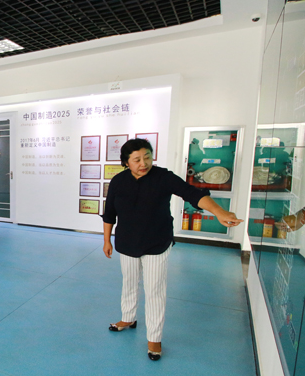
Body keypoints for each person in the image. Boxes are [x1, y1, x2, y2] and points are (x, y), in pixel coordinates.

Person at [102, 138, 242, 361]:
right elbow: (109, 212)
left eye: (147, 157)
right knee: (129, 282)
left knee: (154, 291)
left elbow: (192, 193)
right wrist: (106, 240)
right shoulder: (118, 181)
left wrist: (218, 211)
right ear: (126, 162)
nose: (143, 163)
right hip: (127, 242)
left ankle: (154, 338)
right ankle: (128, 317)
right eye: (137, 159)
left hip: (156, 243)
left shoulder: (163, 177)